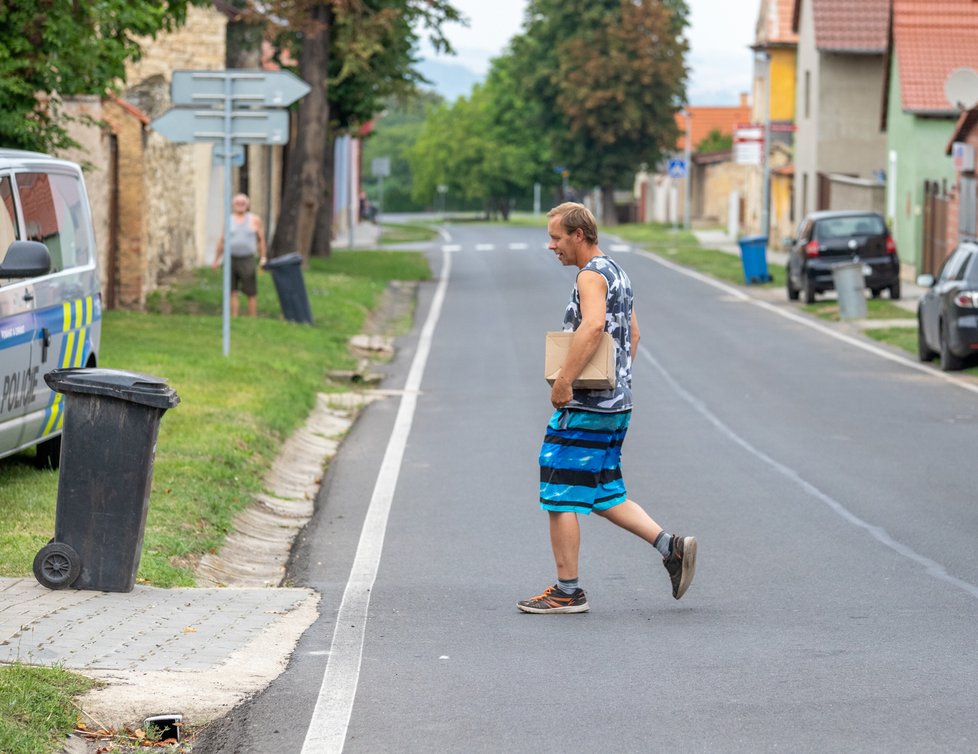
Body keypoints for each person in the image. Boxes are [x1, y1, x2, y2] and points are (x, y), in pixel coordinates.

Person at [517, 202, 697, 614]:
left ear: (579, 235)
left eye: (557, 238)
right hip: (616, 406)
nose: (552, 246)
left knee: (559, 489)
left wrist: (565, 380)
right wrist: (618, 380)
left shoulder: (590, 276)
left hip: (587, 407)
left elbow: (594, 325)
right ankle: (671, 547)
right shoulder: (616, 271)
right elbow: (632, 333)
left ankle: (567, 591)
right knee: (602, 490)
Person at [212, 193, 267, 317]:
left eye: (243, 203)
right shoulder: (229, 220)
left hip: (247, 258)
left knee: (250, 290)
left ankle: (252, 317)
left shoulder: (254, 220)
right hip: (231, 258)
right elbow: (222, 240)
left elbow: (261, 240)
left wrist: (263, 258)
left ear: (247, 205)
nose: (240, 205)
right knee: (232, 289)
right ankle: (234, 316)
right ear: (233, 205)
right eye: (237, 203)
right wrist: (216, 260)